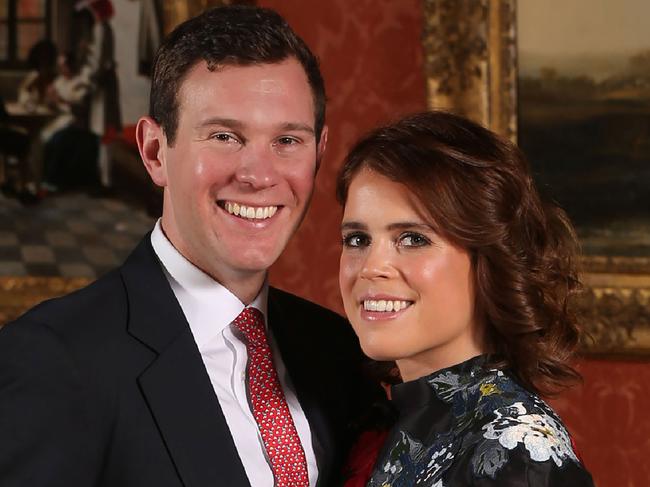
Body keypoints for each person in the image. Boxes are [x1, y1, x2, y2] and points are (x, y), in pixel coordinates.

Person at [0, 6, 380, 487]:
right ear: (155, 152)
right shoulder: (55, 360)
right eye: (225, 136)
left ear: (319, 153)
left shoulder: (337, 350)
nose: (259, 176)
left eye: (287, 140)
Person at [336, 111, 595, 486]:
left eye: (413, 238)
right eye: (358, 239)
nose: (371, 268)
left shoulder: (517, 456)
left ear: (487, 260)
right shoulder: (378, 421)